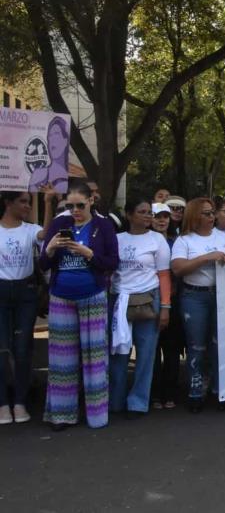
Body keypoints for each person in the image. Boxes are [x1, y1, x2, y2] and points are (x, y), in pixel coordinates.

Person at [40, 182, 119, 430]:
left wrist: (89, 254)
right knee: (62, 359)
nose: (74, 210)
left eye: (80, 205)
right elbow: (42, 265)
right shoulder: (59, 225)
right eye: (70, 205)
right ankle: (62, 415)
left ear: (91, 201)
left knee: (95, 359)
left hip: (93, 296)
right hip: (61, 296)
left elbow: (113, 262)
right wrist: (51, 249)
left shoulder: (103, 226)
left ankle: (96, 415)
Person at [108, 199, 172, 418]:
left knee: (146, 354)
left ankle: (138, 402)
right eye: (142, 212)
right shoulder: (116, 239)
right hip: (119, 300)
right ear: (129, 214)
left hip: (148, 298)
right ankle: (115, 400)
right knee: (118, 351)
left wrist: (165, 307)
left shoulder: (157, 240)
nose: (147, 216)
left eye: (149, 213)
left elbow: (164, 275)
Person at [171, 198, 225, 413]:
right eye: (206, 213)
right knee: (196, 345)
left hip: (221, 295)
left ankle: (219, 389)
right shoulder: (184, 240)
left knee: (219, 344)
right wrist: (207, 257)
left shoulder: (223, 237)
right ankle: (196, 391)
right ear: (195, 216)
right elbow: (178, 268)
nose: (211, 217)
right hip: (194, 296)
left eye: (212, 213)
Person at [0, 191, 53, 424]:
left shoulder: (30, 229)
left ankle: (20, 402)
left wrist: (48, 202)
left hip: (26, 294)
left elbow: (47, 234)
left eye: (29, 202)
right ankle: (3, 404)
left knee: (22, 349)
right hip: (1, 292)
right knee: (2, 350)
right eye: (22, 202)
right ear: (7, 203)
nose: (26, 206)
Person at [150, 203, 181, 410]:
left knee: (172, 349)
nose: (162, 220)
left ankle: (170, 392)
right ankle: (153, 393)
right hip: (150, 299)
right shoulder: (145, 241)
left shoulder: (176, 242)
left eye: (165, 217)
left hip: (175, 299)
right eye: (157, 216)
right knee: (151, 350)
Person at [28, 116, 69, 191]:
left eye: (56, 134)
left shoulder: (71, 178)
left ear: (65, 141)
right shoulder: (39, 174)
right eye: (50, 135)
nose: (52, 139)